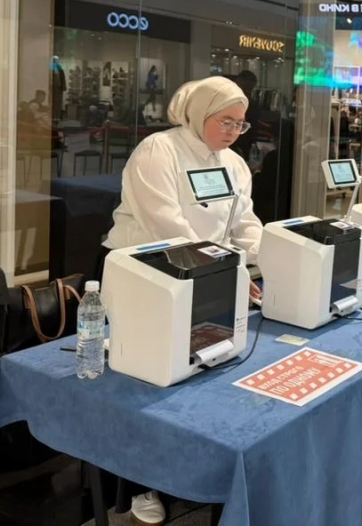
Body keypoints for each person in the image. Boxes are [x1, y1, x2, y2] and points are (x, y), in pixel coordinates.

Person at [104, 77, 265, 526]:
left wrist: (258, 256)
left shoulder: (233, 163)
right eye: (225, 121)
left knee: (200, 373)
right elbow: (166, 228)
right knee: (147, 381)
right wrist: (228, 269)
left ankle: (190, 467)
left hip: (209, 275)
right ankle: (141, 484)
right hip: (150, 277)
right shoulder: (160, 151)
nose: (233, 131)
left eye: (240, 123)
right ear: (197, 113)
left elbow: (244, 221)